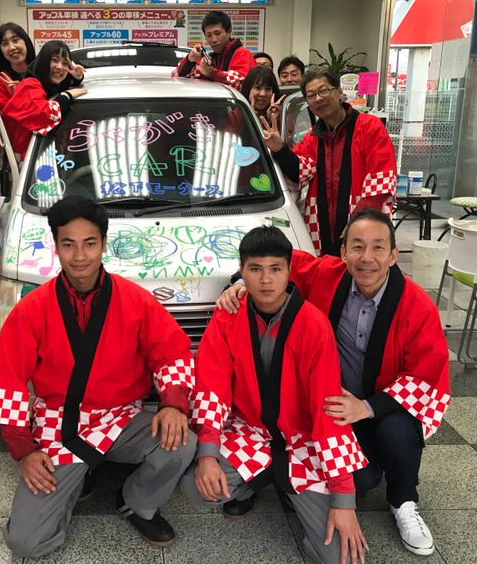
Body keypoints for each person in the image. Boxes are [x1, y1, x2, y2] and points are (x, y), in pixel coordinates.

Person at [217, 209, 451, 557]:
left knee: (398, 432)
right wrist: (239, 283)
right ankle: (282, 477)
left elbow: (424, 376)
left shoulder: (418, 306)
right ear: (343, 252)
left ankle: (404, 500)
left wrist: (368, 407)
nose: (366, 258)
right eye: (357, 247)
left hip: (385, 404)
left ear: (393, 255)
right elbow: (282, 260)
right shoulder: (328, 274)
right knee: (358, 478)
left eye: (377, 247)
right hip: (332, 404)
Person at [0, 195, 196, 558]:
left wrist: (173, 404)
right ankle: (78, 474)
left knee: (182, 442)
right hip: (59, 422)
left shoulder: (135, 300)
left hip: (122, 416)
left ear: (103, 244)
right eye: (69, 244)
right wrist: (24, 451)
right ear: (56, 246)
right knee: (27, 543)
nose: (79, 255)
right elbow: (7, 382)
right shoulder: (32, 309)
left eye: (89, 243)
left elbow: (171, 353)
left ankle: (136, 502)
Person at [183, 225, 368, 564]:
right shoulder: (228, 315)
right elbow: (211, 387)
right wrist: (207, 453)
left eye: (275, 269)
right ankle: (261, 481)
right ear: (242, 271)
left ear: (288, 270)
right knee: (195, 489)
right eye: (255, 269)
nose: (266, 280)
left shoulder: (314, 324)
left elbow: (329, 408)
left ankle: (286, 482)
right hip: (249, 432)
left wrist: (344, 498)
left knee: (342, 559)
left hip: (304, 441)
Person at [262, 68, 396, 256]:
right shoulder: (313, 138)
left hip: (363, 229)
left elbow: (380, 182)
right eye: (311, 95)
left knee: (363, 270)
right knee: (326, 270)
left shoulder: (369, 127)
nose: (318, 99)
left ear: (339, 92)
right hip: (321, 229)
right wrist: (280, 149)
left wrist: (357, 226)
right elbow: (300, 171)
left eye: (323, 90)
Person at [3, 40, 86, 163]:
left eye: (65, 63)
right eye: (54, 60)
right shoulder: (30, 85)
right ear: (43, 61)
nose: (60, 67)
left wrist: (77, 78)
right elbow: (44, 114)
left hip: (48, 158)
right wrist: (67, 95)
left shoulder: (51, 87)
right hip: (26, 164)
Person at [172, 10, 257, 91]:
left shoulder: (242, 53)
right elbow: (176, 76)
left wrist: (212, 73)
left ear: (229, 32)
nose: (214, 40)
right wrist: (190, 59)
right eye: (209, 35)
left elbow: (240, 83)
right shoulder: (210, 59)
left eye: (217, 33)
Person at [0, 23, 37, 142]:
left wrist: (78, 77)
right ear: (0, 50)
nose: (11, 47)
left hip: (48, 144)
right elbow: (9, 120)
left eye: (15, 40)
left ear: (26, 42)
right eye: (5, 43)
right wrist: (20, 96)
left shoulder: (41, 73)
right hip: (18, 148)